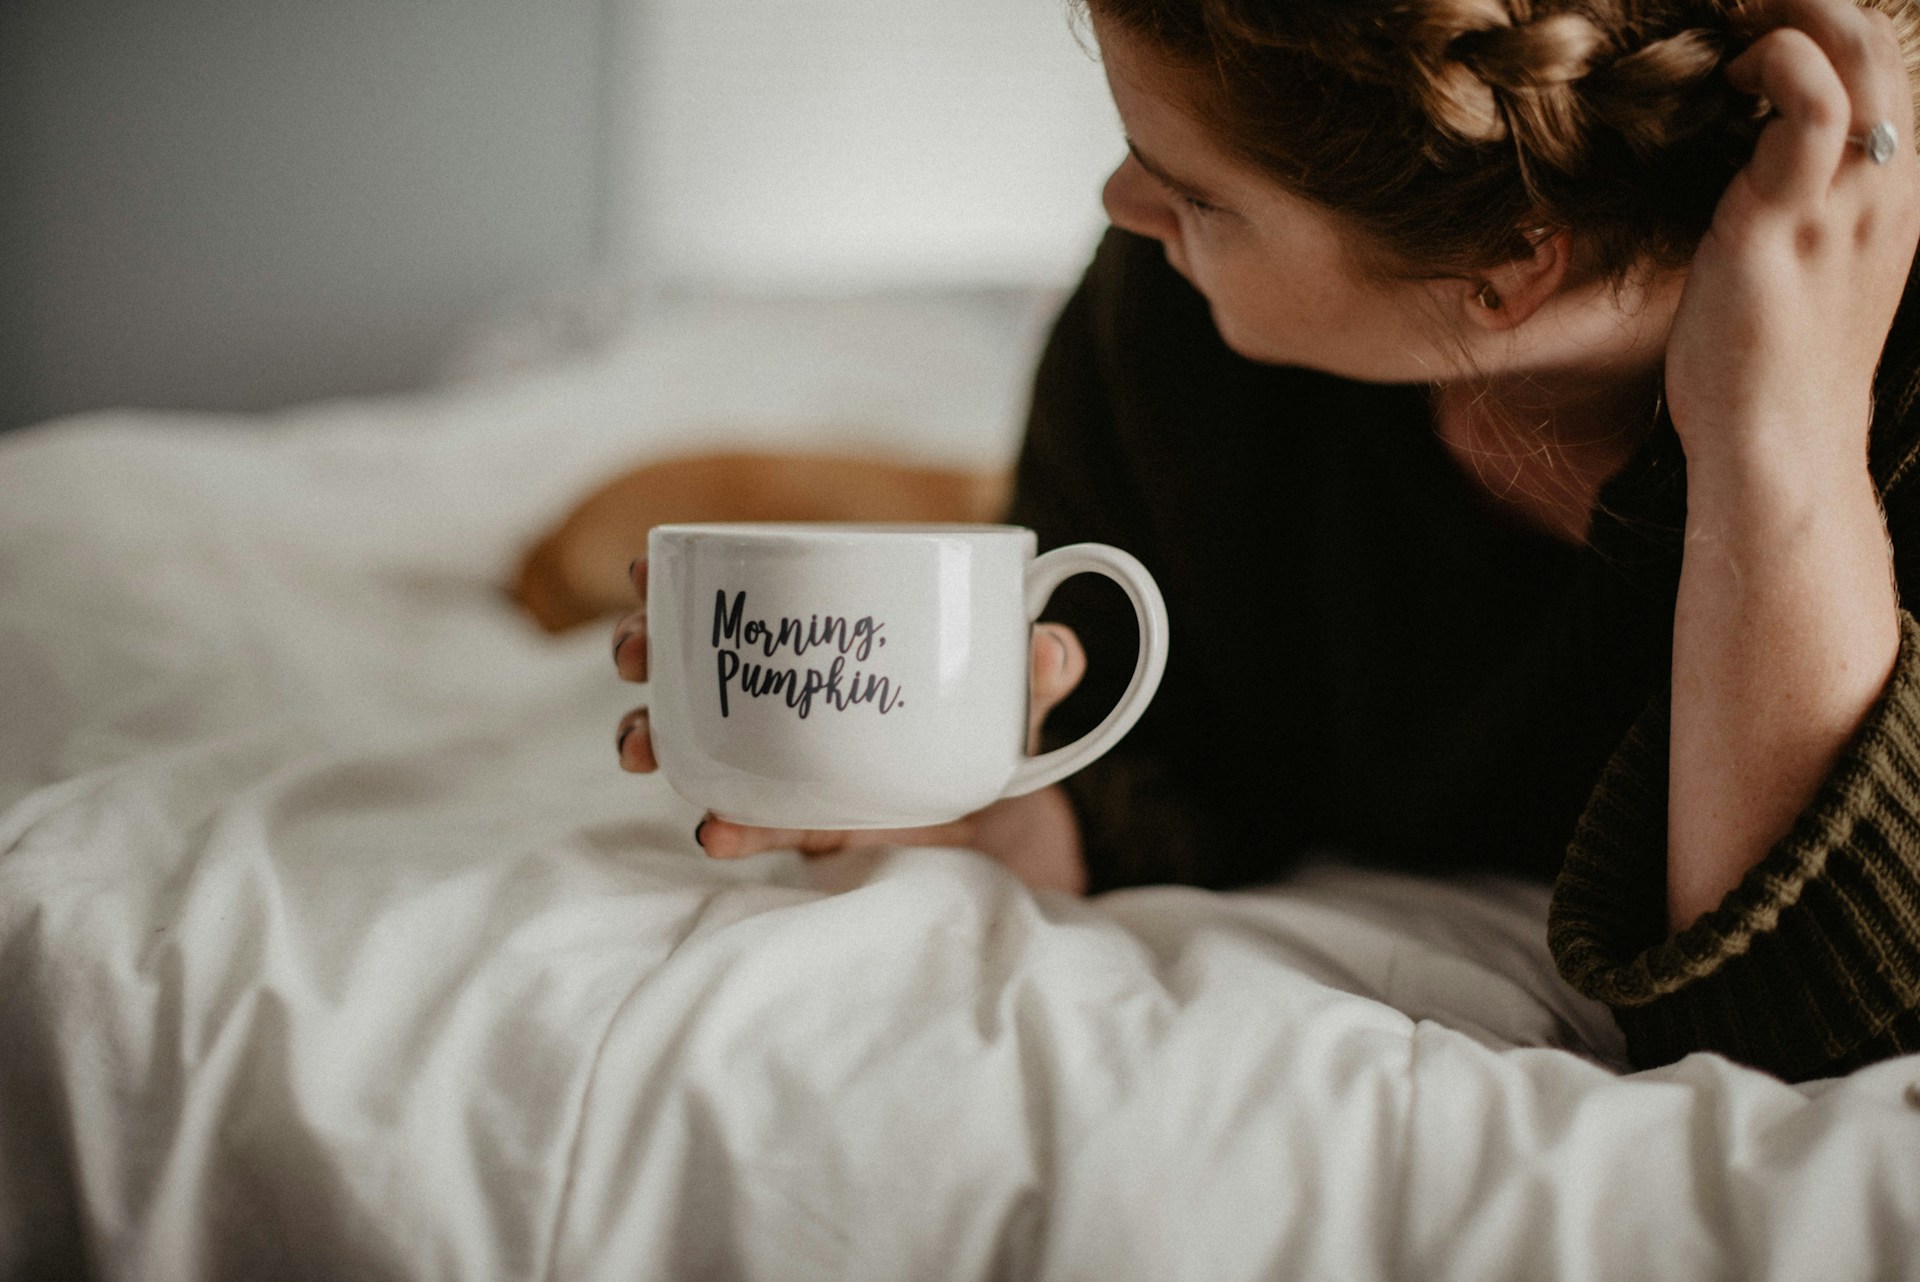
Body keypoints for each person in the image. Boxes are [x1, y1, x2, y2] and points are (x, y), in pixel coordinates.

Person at [612, 0, 1920, 1082]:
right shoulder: (1169, 342)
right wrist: (1014, 809)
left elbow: (1806, 1051)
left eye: (1197, 193)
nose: (1123, 202)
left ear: (1514, 260)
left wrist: (1779, 433)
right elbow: (1191, 755)